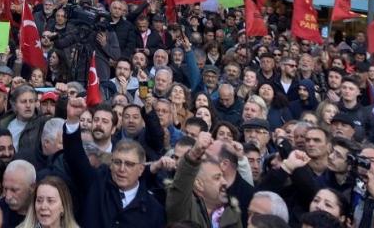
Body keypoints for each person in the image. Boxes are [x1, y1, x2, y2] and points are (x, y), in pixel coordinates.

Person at [62, 96, 165, 228]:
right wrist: (72, 120)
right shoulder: (96, 184)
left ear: (141, 169)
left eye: (129, 164)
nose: (121, 169)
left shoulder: (154, 210)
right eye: (117, 162)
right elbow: (74, 157)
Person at [166, 137, 241, 228]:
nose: (224, 182)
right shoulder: (184, 209)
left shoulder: (231, 212)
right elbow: (180, 186)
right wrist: (194, 155)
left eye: (222, 176)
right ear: (199, 184)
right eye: (217, 178)